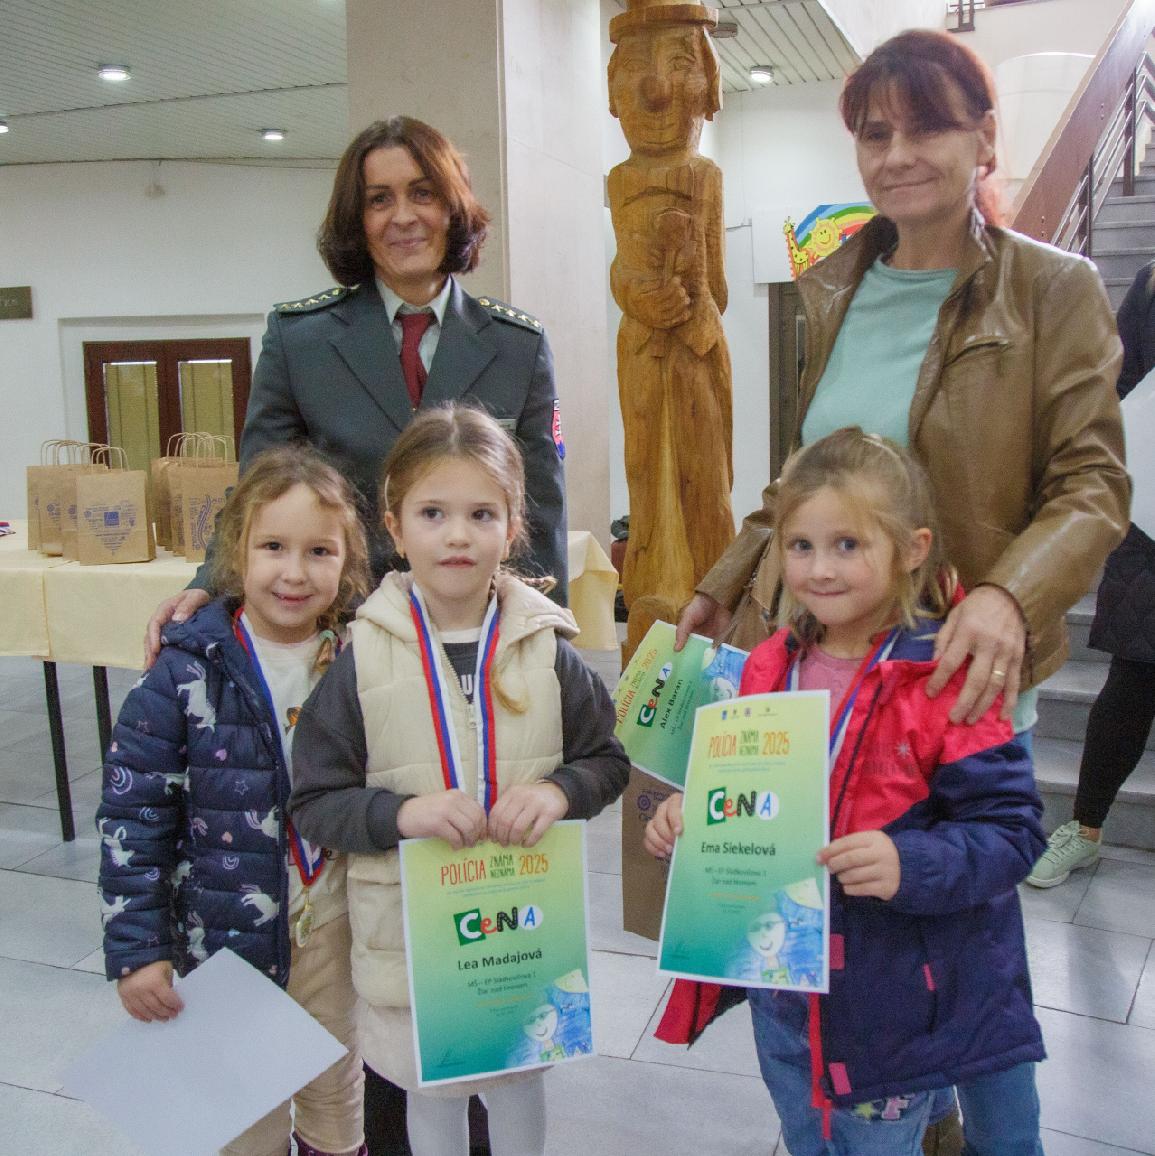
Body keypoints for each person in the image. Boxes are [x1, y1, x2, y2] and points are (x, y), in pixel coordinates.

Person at [674, 28, 1126, 1150]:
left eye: (927, 127)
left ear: (983, 138)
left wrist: (1007, 596)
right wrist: (726, 582)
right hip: (828, 660)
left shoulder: (1053, 288)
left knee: (965, 926)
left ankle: (991, 1132)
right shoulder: (834, 282)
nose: (897, 154)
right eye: (874, 133)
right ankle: (878, 1102)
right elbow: (805, 480)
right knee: (850, 908)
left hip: (957, 666)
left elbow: (1093, 484)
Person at [647, 428, 1047, 1155]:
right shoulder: (768, 664)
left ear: (913, 549)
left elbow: (1012, 832)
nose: (820, 569)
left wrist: (908, 863)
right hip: (782, 993)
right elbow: (739, 793)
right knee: (807, 1134)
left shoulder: (944, 678)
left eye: (848, 545)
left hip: (890, 1003)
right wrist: (691, 815)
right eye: (801, 546)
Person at [287, 405, 629, 1156]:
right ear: (394, 525)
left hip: (520, 934)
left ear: (513, 526)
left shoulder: (547, 648)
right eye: (432, 513)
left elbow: (607, 762)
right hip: (411, 941)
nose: (457, 535)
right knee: (429, 1096)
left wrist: (558, 792)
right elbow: (314, 802)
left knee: (518, 1086)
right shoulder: (361, 658)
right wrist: (400, 816)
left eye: (481, 514)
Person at [146, 114, 568, 662]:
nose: (403, 216)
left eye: (423, 193)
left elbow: (541, 506)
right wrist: (207, 583)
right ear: (357, 220)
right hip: (343, 627)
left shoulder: (518, 346)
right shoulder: (300, 340)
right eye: (379, 200)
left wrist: (543, 630)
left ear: (452, 207)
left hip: (474, 624)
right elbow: (258, 489)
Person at [98, 445, 372, 1156]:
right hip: (223, 941)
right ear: (236, 553)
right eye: (272, 547)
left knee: (337, 1100)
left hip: (337, 932)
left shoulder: (365, 663)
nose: (294, 572)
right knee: (243, 1120)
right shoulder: (184, 671)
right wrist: (139, 951)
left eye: (319, 551)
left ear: (347, 561)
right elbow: (133, 819)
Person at [1028, 261, 1155, 887]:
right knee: (1131, 684)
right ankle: (1085, 829)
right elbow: (1115, 386)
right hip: (1152, 523)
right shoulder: (1151, 284)